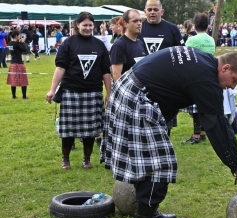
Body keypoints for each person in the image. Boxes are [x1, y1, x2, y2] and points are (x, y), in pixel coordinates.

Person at [101, 47, 237, 218]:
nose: (231, 87)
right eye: (234, 80)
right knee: (159, 166)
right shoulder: (206, 78)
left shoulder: (205, 61)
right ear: (225, 68)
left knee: (154, 160)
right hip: (135, 97)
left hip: (131, 88)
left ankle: (148, 214)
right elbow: (216, 126)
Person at [45, 12, 111, 170]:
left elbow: (105, 71)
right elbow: (60, 67)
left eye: (90, 25)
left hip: (93, 92)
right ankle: (65, 160)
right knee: (68, 130)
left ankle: (87, 160)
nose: (88, 28)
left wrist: (109, 93)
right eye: (84, 25)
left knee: (90, 130)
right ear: (77, 25)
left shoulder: (99, 45)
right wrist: (52, 89)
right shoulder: (68, 43)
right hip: (71, 91)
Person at [138, 0, 184, 136]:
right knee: (141, 121)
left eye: (155, 9)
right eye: (150, 9)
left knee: (165, 120)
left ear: (161, 12)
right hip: (142, 81)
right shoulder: (138, 28)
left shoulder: (172, 29)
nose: (152, 12)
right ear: (145, 11)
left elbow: (182, 54)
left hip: (166, 83)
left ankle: (164, 150)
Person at [181, 12, 216, 144]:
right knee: (202, 106)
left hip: (194, 76)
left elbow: (184, 58)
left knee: (195, 109)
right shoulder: (211, 39)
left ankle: (196, 136)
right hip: (208, 75)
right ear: (207, 26)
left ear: (194, 26)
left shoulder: (191, 40)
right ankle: (202, 133)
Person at [110, 9, 146, 82]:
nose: (139, 23)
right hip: (127, 91)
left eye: (140, 21)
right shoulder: (119, 45)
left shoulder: (140, 43)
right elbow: (116, 75)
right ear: (125, 24)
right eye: (135, 21)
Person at [7, 30, 29, 99]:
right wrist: (23, 43)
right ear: (16, 36)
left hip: (12, 63)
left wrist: (19, 42)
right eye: (19, 35)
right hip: (19, 63)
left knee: (13, 81)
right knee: (23, 80)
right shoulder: (17, 44)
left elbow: (16, 48)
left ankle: (13, 96)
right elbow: (24, 49)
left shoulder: (10, 43)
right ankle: (24, 96)